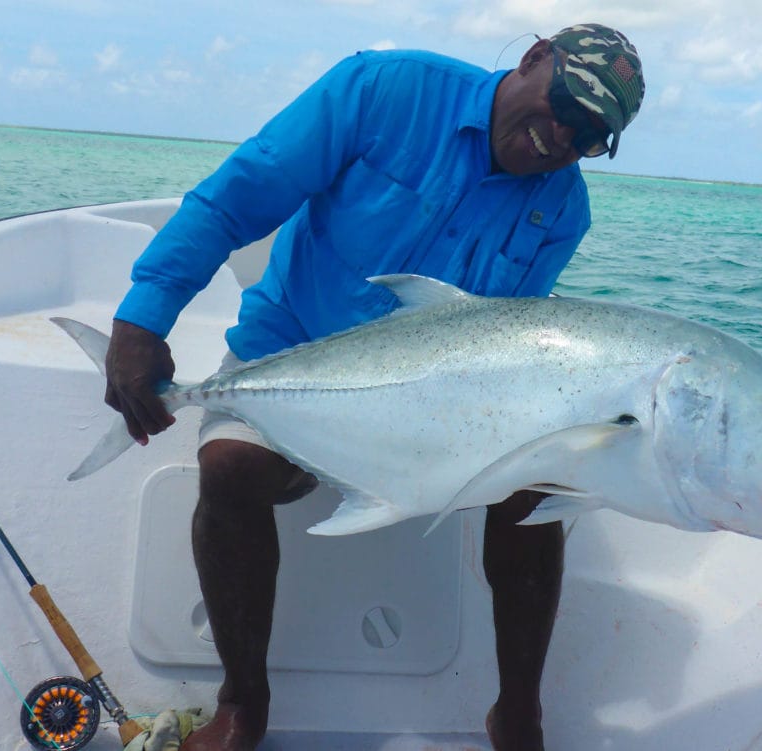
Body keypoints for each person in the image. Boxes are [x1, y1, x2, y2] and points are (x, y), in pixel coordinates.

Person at [104, 23, 644, 751]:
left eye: (587, 136)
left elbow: (497, 343)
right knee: (229, 468)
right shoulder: (385, 91)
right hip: (290, 356)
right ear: (532, 58)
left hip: (430, 403)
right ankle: (243, 700)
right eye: (562, 106)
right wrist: (145, 315)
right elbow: (238, 196)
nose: (560, 137)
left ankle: (518, 710)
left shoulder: (563, 211)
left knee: (539, 487)